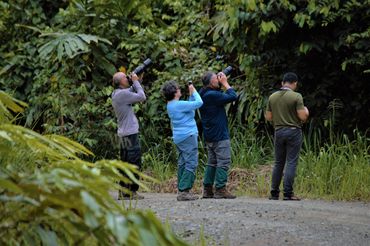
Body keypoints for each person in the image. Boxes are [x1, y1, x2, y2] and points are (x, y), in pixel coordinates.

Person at [265, 72, 309, 201]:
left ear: (282, 83)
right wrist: (306, 111)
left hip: (278, 131)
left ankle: (274, 193)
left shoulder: (272, 97)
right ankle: (288, 193)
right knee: (291, 162)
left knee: (278, 162)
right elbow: (302, 117)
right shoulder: (296, 96)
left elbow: (268, 117)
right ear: (295, 83)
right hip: (293, 131)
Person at [161, 81, 203, 201]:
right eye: (178, 89)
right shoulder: (178, 105)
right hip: (188, 136)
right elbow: (199, 102)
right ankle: (184, 191)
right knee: (191, 162)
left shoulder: (171, 105)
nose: (180, 90)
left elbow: (190, 110)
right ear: (174, 92)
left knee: (183, 163)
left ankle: (181, 189)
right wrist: (194, 90)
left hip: (179, 137)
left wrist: (190, 95)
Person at [199, 71, 238, 199]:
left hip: (209, 134)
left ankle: (207, 189)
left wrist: (220, 84)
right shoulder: (212, 95)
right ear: (211, 82)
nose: (219, 79)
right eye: (217, 78)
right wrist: (226, 83)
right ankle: (220, 189)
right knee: (224, 161)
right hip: (219, 134)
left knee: (212, 162)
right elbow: (233, 96)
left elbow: (220, 95)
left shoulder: (202, 93)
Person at [111, 71, 146, 200]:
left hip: (122, 134)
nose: (128, 78)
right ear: (121, 81)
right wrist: (136, 82)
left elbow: (132, 91)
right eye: (126, 77)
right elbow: (141, 97)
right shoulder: (123, 94)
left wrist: (138, 80)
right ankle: (131, 192)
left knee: (125, 162)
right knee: (134, 162)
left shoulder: (117, 93)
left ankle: (123, 191)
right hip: (130, 134)